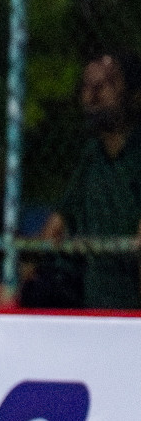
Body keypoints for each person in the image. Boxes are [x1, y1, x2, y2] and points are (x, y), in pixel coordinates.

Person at [27, 53, 141, 309]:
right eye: (87, 86)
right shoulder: (92, 155)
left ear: (134, 95)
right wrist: (13, 284)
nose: (93, 94)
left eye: (107, 84)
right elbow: (54, 227)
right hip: (95, 305)